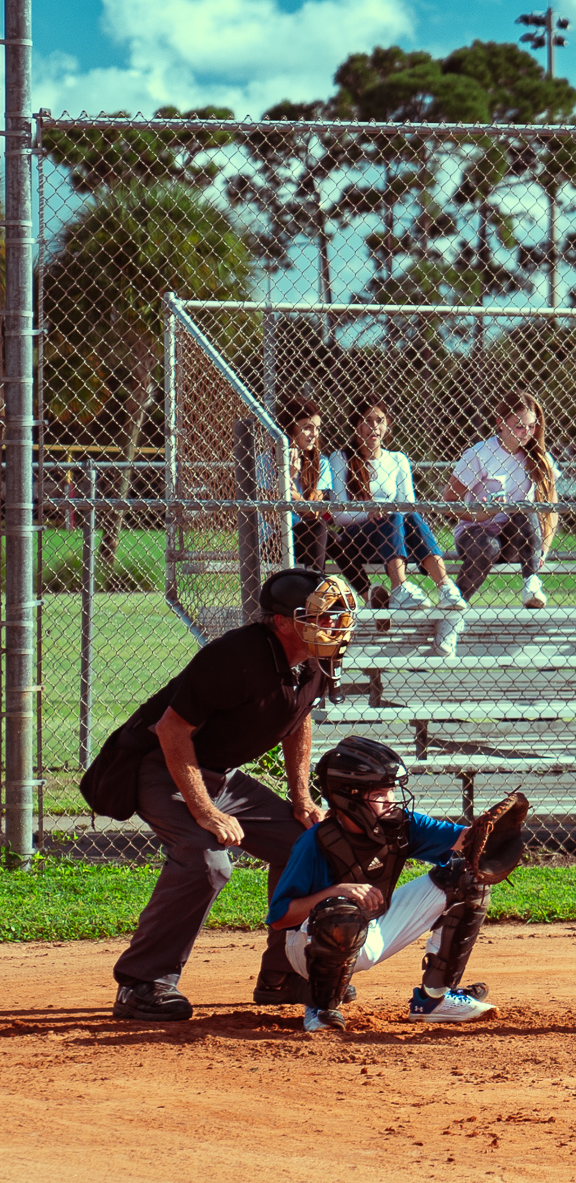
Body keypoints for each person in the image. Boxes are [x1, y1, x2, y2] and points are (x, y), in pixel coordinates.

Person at [104, 568, 357, 1020]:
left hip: (216, 774)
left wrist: (301, 799)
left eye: (338, 615)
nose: (336, 625)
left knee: (309, 843)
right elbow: (171, 729)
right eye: (322, 616)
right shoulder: (234, 656)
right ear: (282, 622)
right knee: (206, 860)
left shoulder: (318, 657)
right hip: (159, 767)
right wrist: (204, 811)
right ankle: (143, 983)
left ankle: (285, 974)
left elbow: (299, 720)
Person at [267, 736, 500, 1032]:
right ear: (349, 798)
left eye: (391, 790)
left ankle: (436, 999)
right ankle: (321, 1006)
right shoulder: (314, 843)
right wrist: (335, 891)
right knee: (341, 910)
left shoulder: (403, 825)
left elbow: (464, 840)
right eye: (380, 793)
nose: (391, 800)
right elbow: (280, 918)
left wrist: (493, 831)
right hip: (310, 945)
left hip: (374, 927)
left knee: (465, 878)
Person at [437, 391, 561, 655]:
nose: (526, 432)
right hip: (475, 532)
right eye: (519, 426)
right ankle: (453, 616)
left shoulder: (539, 457)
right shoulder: (480, 454)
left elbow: (551, 510)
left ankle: (531, 583)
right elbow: (449, 499)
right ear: (500, 423)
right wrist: (479, 515)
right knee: (488, 547)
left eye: (531, 426)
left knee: (524, 511)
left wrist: (544, 549)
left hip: (517, 539)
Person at [325, 399, 467, 613]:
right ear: (356, 425)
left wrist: (388, 512)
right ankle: (399, 588)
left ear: (387, 425)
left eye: (380, 421)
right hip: (359, 537)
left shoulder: (398, 459)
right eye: (367, 420)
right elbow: (339, 515)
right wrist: (368, 513)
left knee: (409, 517)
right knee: (393, 516)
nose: (374, 426)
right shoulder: (341, 458)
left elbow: (409, 506)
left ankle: (446, 587)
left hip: (396, 534)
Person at [274, 395, 334, 571]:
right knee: (323, 532)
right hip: (276, 540)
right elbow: (272, 517)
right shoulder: (266, 461)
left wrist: (296, 497)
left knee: (331, 537)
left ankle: (368, 595)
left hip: (311, 535)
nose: (314, 434)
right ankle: (317, 588)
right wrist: (289, 476)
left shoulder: (320, 462)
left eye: (317, 429)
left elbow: (313, 512)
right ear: (290, 428)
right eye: (307, 428)